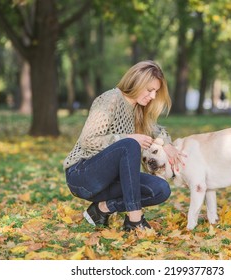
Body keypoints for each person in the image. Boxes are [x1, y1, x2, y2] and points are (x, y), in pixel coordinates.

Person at [63, 60, 184, 231]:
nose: (153, 96)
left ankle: (101, 209)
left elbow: (157, 131)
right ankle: (134, 220)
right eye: (150, 90)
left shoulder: (139, 110)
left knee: (160, 189)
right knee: (129, 144)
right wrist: (128, 137)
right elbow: (88, 141)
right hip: (82, 176)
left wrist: (168, 144)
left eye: (156, 92)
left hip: (109, 183)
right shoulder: (111, 99)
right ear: (137, 81)